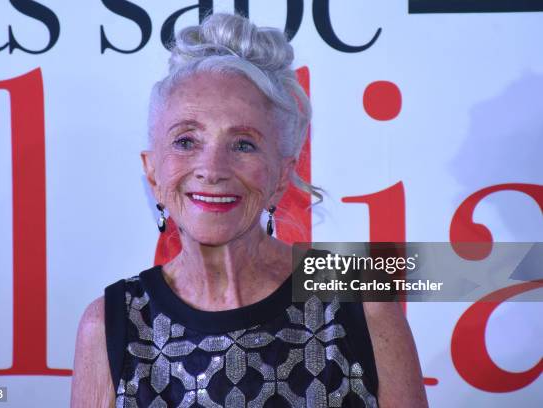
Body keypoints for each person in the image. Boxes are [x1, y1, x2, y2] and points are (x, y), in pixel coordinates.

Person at [71, 13, 428, 408]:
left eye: (243, 144)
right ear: (152, 172)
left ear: (281, 176)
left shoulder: (359, 299)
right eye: (186, 141)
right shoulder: (109, 324)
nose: (212, 169)